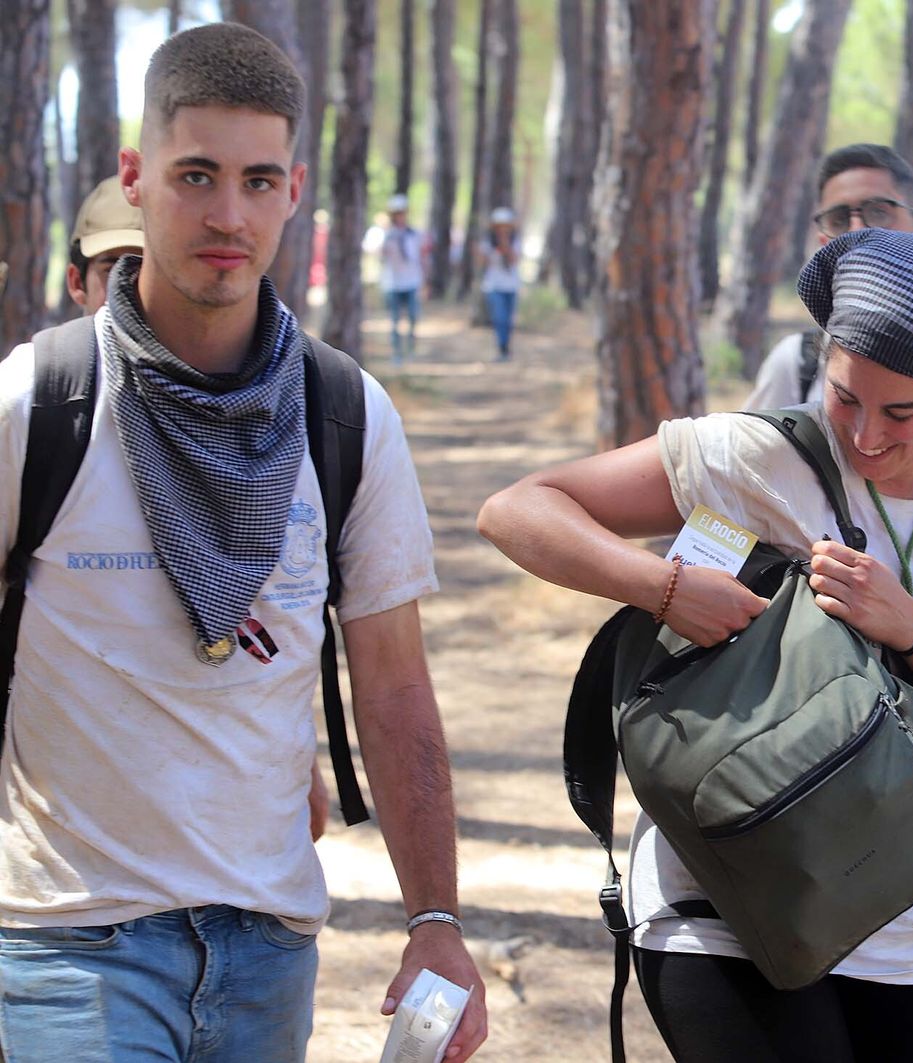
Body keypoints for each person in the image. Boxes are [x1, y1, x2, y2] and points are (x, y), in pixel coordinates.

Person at [0, 24, 486, 1061]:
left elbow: (394, 689)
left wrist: (435, 922)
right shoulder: (37, 403)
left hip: (267, 951)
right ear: (135, 179)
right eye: (196, 176)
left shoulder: (345, 415)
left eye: (259, 180)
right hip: (66, 948)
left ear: (296, 189)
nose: (229, 214)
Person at [481, 228, 913, 1062]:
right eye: (844, 397)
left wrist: (907, 624)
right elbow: (517, 509)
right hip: (717, 908)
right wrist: (661, 587)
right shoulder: (753, 453)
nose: (866, 434)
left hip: (905, 924)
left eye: (902, 411)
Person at [65, 173, 336, 838]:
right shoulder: (40, 410)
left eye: (148, 258)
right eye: (114, 266)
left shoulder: (274, 412)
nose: (138, 279)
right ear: (78, 283)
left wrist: (294, 753)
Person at [744, 143, 913, 410]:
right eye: (839, 220)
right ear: (824, 243)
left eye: (879, 212)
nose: (856, 231)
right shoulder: (795, 365)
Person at [67, 175, 146, 314]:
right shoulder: (55, 337)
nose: (131, 289)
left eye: (147, 271)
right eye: (112, 271)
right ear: (77, 283)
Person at [379, 192, 426, 362]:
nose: (400, 216)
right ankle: (397, 352)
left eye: (402, 212)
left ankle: (411, 349)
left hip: (412, 281)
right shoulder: (385, 234)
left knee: (413, 316)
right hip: (392, 283)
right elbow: (379, 255)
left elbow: (421, 257)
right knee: (394, 320)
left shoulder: (414, 234)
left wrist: (425, 280)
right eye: (397, 213)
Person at [480, 207, 521, 361]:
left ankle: (506, 348)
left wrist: (505, 245)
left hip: (511, 286)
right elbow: (483, 262)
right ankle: (501, 347)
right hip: (494, 286)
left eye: (506, 225)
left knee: (508, 320)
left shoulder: (515, 242)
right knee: (499, 318)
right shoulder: (488, 242)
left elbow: (514, 260)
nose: (503, 229)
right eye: (500, 225)